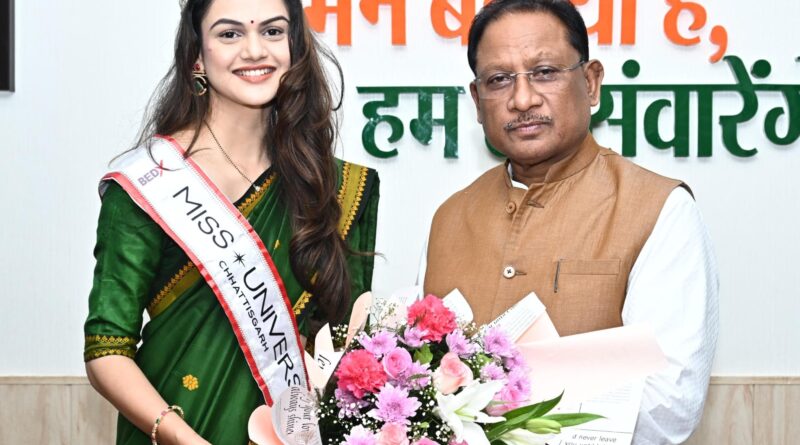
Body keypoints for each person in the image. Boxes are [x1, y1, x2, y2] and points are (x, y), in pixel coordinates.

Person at [421, 0, 718, 443]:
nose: (523, 99)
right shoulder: (449, 217)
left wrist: (495, 410)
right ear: (478, 101)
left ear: (591, 82)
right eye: (499, 80)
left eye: (544, 72)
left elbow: (668, 406)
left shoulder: (660, 209)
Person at [83, 0, 379, 444]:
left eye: (273, 31)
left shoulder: (337, 188)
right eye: (229, 34)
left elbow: (344, 349)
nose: (255, 50)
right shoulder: (149, 182)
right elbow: (106, 349)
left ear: (295, 47)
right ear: (197, 56)